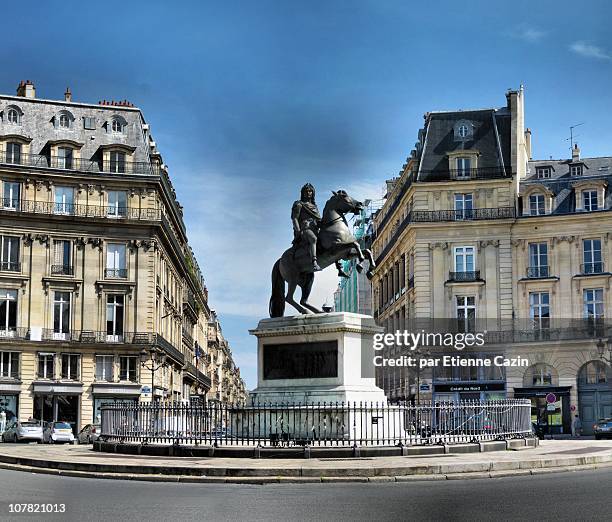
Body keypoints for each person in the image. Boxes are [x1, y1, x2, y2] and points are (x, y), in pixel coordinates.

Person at [291, 183, 322, 271]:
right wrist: (298, 231)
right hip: (305, 228)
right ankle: (314, 262)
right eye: (306, 191)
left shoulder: (314, 206)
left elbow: (319, 219)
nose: (308, 193)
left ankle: (339, 266)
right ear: (303, 192)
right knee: (313, 239)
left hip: (315, 227)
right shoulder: (299, 204)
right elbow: (294, 218)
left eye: (310, 191)